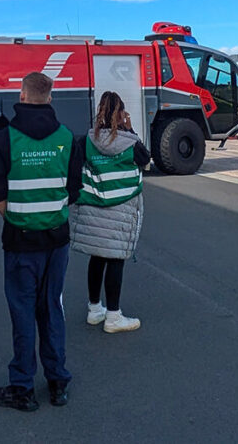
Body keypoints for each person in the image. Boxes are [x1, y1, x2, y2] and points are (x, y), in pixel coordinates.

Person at [0, 72, 83, 411]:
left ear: (22, 95)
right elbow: (73, 189)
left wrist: (16, 216)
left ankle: (22, 387)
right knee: (52, 308)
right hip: (57, 241)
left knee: (23, 312)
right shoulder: (67, 137)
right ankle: (57, 383)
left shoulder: (5, 138)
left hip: (20, 241)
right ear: (50, 97)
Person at [72, 91, 150, 333]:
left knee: (97, 257)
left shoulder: (84, 141)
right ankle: (114, 316)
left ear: (100, 113)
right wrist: (131, 129)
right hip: (121, 210)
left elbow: (74, 170)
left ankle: (95, 310)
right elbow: (146, 161)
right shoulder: (131, 143)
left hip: (94, 208)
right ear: (121, 114)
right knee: (116, 258)